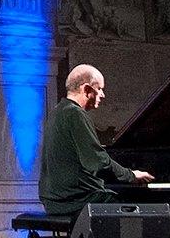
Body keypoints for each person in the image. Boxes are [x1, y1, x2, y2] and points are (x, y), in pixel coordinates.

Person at [38, 64, 152, 217]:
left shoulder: (57, 112)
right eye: (99, 89)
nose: (103, 95)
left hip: (54, 200)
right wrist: (130, 175)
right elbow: (97, 162)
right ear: (86, 89)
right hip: (75, 200)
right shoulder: (75, 114)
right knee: (141, 207)